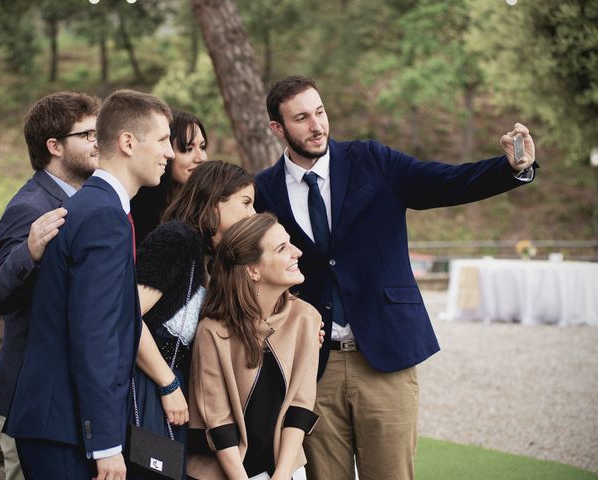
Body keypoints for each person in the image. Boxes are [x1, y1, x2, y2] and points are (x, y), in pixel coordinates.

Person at [254, 75, 538, 480]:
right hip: (311, 368)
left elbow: (445, 182)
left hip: (384, 356)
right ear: (277, 129)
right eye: (301, 118)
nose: (317, 125)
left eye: (320, 112)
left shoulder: (372, 160)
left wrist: (510, 169)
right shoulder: (264, 191)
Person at [5, 89, 174, 480]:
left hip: (60, 423)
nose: (170, 153)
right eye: (163, 140)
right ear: (128, 142)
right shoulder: (102, 215)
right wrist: (105, 444)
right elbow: (94, 334)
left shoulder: (96, 206)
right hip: (66, 429)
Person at [0, 91, 100, 480]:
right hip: (26, 402)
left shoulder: (91, 200)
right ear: (54, 146)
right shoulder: (29, 207)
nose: (97, 143)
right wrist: (30, 252)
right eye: (87, 135)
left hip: (64, 398)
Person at [130, 160, 255, 475]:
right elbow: (126, 316)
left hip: (171, 398)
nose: (253, 214)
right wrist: (167, 384)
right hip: (146, 389)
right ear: (214, 201)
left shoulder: (208, 256)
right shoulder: (176, 239)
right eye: (246, 203)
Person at [186, 213, 321, 480]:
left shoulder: (306, 318)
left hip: (287, 469)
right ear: (252, 269)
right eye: (282, 248)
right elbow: (218, 420)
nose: (298, 252)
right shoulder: (213, 331)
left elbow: (300, 405)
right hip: (225, 471)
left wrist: (282, 474)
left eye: (290, 243)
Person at [130, 110, 208, 245]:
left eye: (202, 147)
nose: (201, 158)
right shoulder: (139, 209)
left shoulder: (207, 204)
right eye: (188, 149)